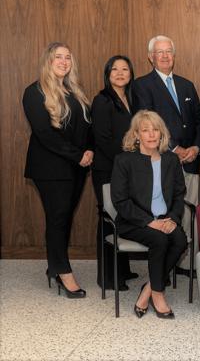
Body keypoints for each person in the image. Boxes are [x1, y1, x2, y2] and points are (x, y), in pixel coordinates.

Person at [23, 42, 93, 298]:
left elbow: (86, 127)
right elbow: (45, 134)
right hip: (51, 168)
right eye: (58, 57)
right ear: (48, 61)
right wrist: (78, 155)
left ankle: (55, 265)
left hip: (76, 167)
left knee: (64, 218)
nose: (64, 62)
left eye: (67, 57)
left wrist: (90, 150)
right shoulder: (34, 92)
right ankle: (63, 272)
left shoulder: (74, 91)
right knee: (58, 218)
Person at [133, 35, 200, 276]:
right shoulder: (142, 85)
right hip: (162, 160)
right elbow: (147, 122)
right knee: (165, 210)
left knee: (189, 209)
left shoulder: (187, 85)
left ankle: (186, 264)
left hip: (190, 160)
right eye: (159, 52)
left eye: (168, 52)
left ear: (174, 56)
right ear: (150, 57)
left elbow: (199, 122)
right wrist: (174, 148)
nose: (164, 56)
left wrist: (196, 148)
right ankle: (163, 263)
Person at [110, 110, 188, 319]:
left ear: (162, 133)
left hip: (165, 218)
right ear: (136, 134)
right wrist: (148, 222)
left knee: (180, 240)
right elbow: (120, 201)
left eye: (156, 130)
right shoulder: (124, 160)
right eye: (145, 130)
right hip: (133, 220)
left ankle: (148, 289)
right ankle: (158, 294)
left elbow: (179, 193)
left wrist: (173, 218)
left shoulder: (171, 159)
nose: (152, 134)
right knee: (159, 240)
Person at [91, 55, 137, 291]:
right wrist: (125, 164)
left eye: (125, 69)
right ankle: (108, 278)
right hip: (107, 169)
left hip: (124, 169)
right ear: (107, 74)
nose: (120, 73)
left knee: (122, 216)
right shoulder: (102, 100)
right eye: (115, 69)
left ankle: (123, 270)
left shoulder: (131, 99)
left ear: (131, 74)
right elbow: (102, 139)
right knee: (108, 218)